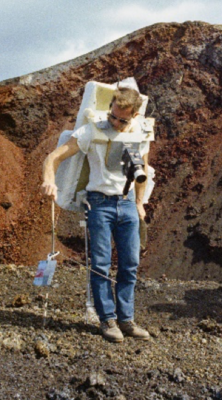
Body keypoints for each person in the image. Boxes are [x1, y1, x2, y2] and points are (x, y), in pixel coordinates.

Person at [41, 87, 153, 343]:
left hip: (126, 205)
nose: (115, 122)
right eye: (113, 116)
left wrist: (139, 202)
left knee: (130, 264)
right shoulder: (92, 130)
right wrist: (50, 181)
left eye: (122, 119)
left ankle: (126, 320)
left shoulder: (141, 133)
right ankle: (108, 320)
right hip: (99, 204)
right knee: (101, 265)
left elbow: (143, 167)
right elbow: (53, 158)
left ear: (134, 115)